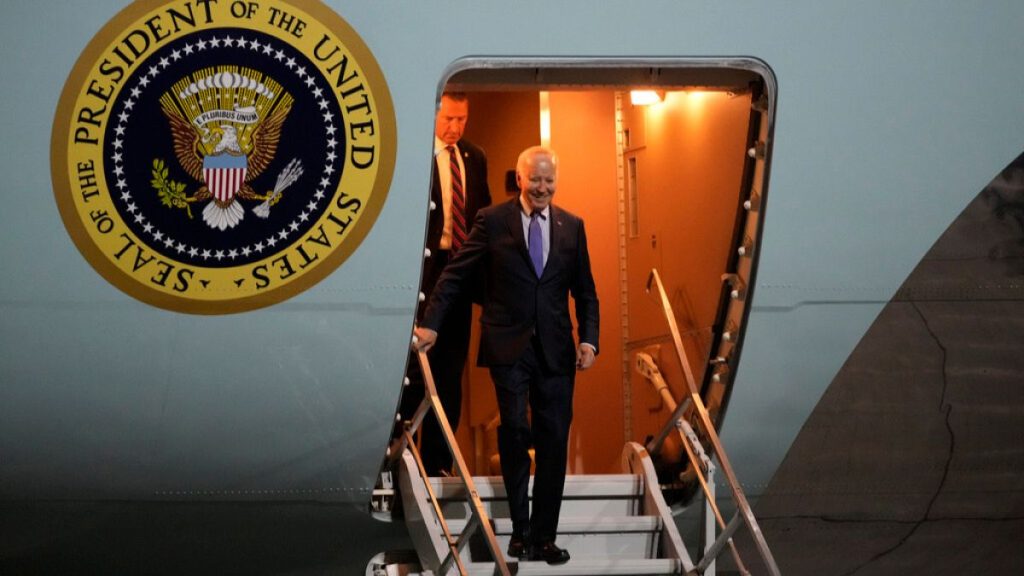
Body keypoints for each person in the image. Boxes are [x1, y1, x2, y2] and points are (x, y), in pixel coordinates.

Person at [414, 146, 599, 565]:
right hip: (508, 347)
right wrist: (432, 324)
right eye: (535, 180)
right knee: (515, 431)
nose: (542, 188)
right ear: (520, 179)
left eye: (549, 181)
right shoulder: (492, 221)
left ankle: (544, 537)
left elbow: (585, 291)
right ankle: (519, 531)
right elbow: (456, 274)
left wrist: (590, 339)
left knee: (553, 441)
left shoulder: (572, 226)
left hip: (556, 350)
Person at [399, 92, 491, 477]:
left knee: (452, 371)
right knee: (417, 368)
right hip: (425, 269)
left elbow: (482, 215)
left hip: (461, 268)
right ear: (434, 114)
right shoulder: (416, 155)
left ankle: (438, 463)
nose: (454, 128)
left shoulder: (474, 157)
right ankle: (405, 454)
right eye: (448, 119)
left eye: (462, 120)